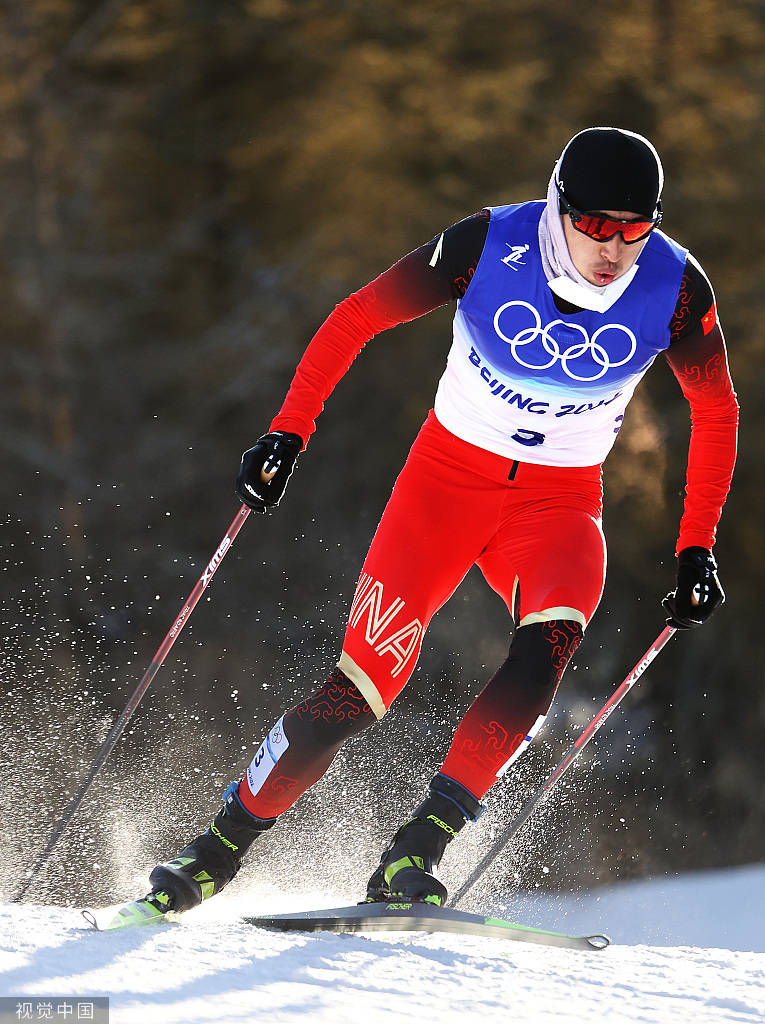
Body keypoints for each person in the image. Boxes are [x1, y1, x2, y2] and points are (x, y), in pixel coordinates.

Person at [147, 127, 738, 914]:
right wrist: (289, 431)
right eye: (594, 224)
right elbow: (357, 316)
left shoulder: (676, 286)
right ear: (560, 206)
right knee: (357, 691)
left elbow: (715, 407)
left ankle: (413, 853)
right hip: (443, 485)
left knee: (544, 656)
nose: (612, 247)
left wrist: (695, 546)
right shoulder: (486, 244)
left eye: (634, 227)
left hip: (558, 502)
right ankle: (218, 847)